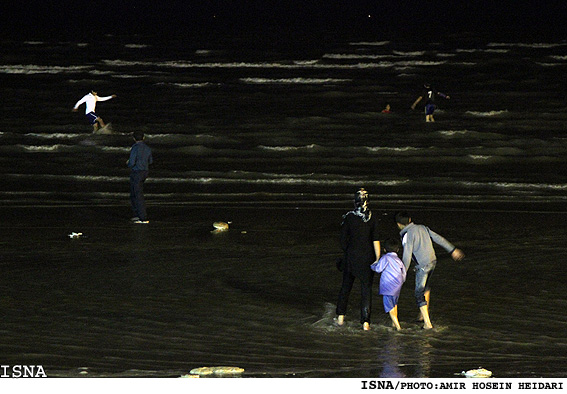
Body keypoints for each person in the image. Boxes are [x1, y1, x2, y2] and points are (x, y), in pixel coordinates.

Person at [395, 211, 464, 329]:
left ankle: (427, 323)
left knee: (418, 293)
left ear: (398, 224)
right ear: (410, 219)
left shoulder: (407, 234)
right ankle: (422, 315)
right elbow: (439, 239)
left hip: (423, 265)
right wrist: (452, 250)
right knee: (426, 287)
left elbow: (407, 254)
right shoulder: (423, 227)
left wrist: (402, 273)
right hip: (433, 261)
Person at [336, 188, 381, 330]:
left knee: (346, 287)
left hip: (351, 257)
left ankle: (340, 318)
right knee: (366, 290)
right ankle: (365, 323)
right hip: (367, 258)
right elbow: (376, 240)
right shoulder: (373, 217)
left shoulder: (349, 217)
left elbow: (343, 241)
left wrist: (348, 251)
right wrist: (378, 258)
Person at [371, 238, 407, 331]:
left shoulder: (385, 258)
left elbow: (378, 269)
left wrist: (373, 265)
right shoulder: (399, 260)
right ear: (398, 250)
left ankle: (398, 327)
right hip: (397, 287)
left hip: (387, 287)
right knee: (394, 305)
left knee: (389, 306)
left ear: (384, 249)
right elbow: (404, 273)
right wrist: (401, 282)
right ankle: (393, 324)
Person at [127, 131, 153, 224]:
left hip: (137, 171)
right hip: (145, 171)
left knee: (136, 194)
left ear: (134, 138)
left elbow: (132, 162)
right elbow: (150, 161)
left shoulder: (135, 148)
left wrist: (128, 163)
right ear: (143, 138)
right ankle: (137, 215)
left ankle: (142, 217)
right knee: (136, 193)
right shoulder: (148, 148)